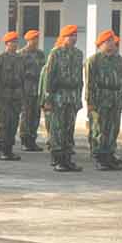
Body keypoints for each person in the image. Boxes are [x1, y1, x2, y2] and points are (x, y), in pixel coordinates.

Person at [40, 24, 85, 173]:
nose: (73, 38)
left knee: (69, 128)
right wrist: (48, 98)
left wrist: (79, 97)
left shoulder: (78, 54)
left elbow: (80, 78)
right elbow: (50, 77)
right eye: (70, 36)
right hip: (59, 95)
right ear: (63, 37)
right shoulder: (56, 53)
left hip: (72, 96)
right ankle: (58, 158)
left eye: (75, 36)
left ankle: (68, 158)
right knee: (58, 128)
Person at [85, 29, 122, 170]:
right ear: (101, 44)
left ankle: (109, 154)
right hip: (100, 99)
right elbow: (89, 83)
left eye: (112, 42)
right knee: (99, 129)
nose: (111, 44)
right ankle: (99, 156)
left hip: (115, 99)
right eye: (108, 42)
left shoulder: (118, 59)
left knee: (113, 128)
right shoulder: (94, 60)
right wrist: (90, 102)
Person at [0, 31, 26, 161]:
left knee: (14, 123)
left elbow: (22, 78)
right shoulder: (0, 59)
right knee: (3, 123)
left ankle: (9, 149)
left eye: (16, 42)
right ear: (6, 44)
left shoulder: (20, 58)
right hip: (3, 96)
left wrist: (22, 95)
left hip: (16, 96)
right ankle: (2, 149)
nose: (15, 45)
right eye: (12, 42)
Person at [18, 29, 47, 151]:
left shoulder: (40, 54)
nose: (35, 41)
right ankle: (25, 139)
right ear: (28, 40)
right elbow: (19, 73)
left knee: (35, 115)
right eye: (33, 39)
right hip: (26, 88)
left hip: (37, 89)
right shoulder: (21, 54)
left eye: (37, 39)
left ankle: (32, 139)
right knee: (26, 114)